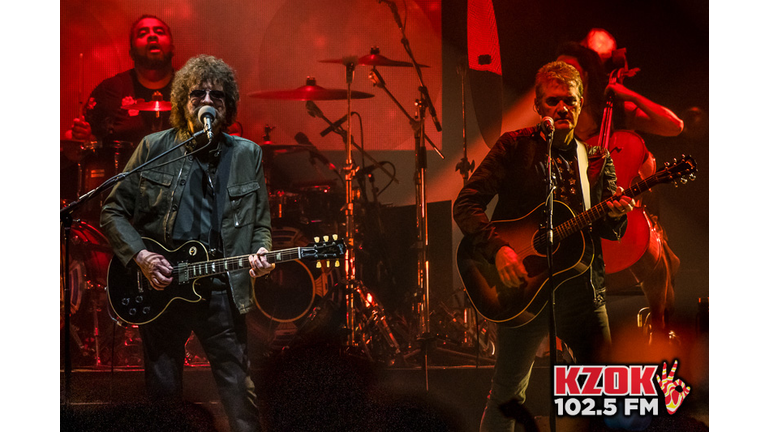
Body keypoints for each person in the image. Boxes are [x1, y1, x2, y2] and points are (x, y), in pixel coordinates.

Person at [453, 61, 635, 432]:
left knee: (602, 397)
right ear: (539, 107)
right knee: (507, 396)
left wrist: (616, 213)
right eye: (553, 101)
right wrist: (499, 249)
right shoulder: (514, 147)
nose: (562, 108)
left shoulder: (596, 160)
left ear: (581, 104)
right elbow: (466, 203)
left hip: (582, 295)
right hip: (525, 290)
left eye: (569, 101)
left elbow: (610, 230)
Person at [100, 54, 274, 432]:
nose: (207, 102)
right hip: (161, 287)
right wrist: (142, 257)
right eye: (198, 95)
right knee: (163, 396)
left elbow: (260, 224)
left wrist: (261, 252)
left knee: (239, 394)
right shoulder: (153, 148)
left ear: (228, 107)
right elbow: (112, 210)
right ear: (183, 102)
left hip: (220, 287)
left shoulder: (247, 155)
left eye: (218, 96)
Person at [556, 40, 683, 335]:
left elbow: (674, 126)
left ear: (586, 75)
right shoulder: (557, 123)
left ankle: (661, 336)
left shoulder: (615, 114)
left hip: (624, 218)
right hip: (577, 226)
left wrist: (628, 94)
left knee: (665, 261)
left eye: (570, 69)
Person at [69, 14, 176, 144]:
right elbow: (78, 143)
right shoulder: (109, 91)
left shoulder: (192, 90)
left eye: (160, 32)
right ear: (131, 53)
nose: (152, 36)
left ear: (172, 48)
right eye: (142, 34)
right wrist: (81, 137)